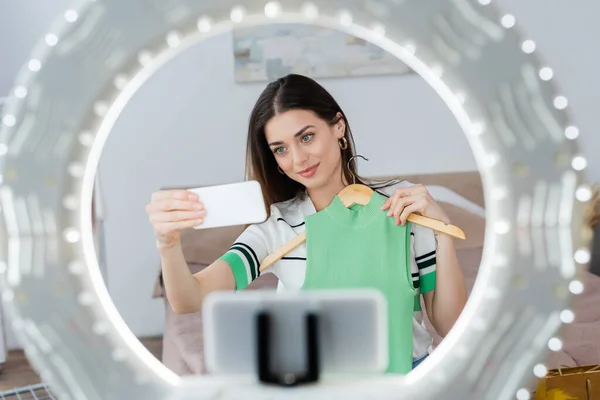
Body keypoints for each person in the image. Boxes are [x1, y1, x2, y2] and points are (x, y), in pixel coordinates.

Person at [145, 74, 468, 371]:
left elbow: (448, 324)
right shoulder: (277, 227)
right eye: (281, 149)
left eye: (307, 137)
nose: (298, 159)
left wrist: (444, 234)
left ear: (338, 127)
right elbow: (189, 299)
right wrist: (168, 244)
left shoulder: (402, 209)